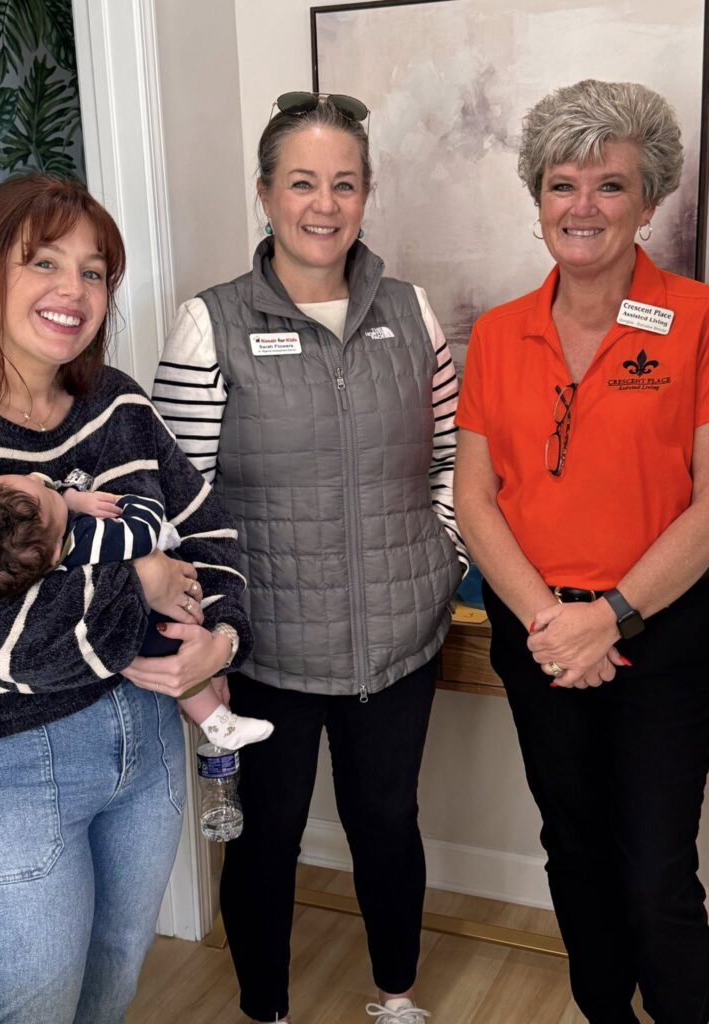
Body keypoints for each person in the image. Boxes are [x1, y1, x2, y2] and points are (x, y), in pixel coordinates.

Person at [152, 91, 465, 1024]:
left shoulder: (411, 311)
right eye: (301, 183)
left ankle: (397, 997)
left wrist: (441, 552)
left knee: (388, 824)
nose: (323, 205)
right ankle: (267, 1010)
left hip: (397, 639)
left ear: (366, 193)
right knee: (267, 838)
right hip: (267, 646)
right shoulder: (209, 322)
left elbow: (453, 456)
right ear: (265, 193)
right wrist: (208, 628)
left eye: (344, 183)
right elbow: (178, 501)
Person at [0, 173, 253, 1024]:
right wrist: (143, 580)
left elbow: (210, 526)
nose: (73, 291)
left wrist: (220, 639)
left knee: (109, 990)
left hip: (144, 749)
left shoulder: (116, 402)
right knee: (24, 1009)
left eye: (93, 271)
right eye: (43, 261)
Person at [454, 79, 709, 1024]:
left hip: (663, 639)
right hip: (539, 637)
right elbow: (474, 499)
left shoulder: (698, 320)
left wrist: (612, 617)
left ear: (650, 202)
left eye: (611, 185)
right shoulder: (496, 333)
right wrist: (552, 624)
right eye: (562, 184)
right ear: (538, 200)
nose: (583, 206)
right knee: (574, 850)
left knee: (656, 872)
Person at [0, 473, 272, 750]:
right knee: (180, 664)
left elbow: (40, 491)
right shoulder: (86, 539)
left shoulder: (33, 549)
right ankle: (219, 724)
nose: (38, 478)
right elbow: (141, 532)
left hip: (138, 629)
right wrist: (132, 502)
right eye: (48, 492)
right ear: (56, 551)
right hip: (149, 627)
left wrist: (67, 498)